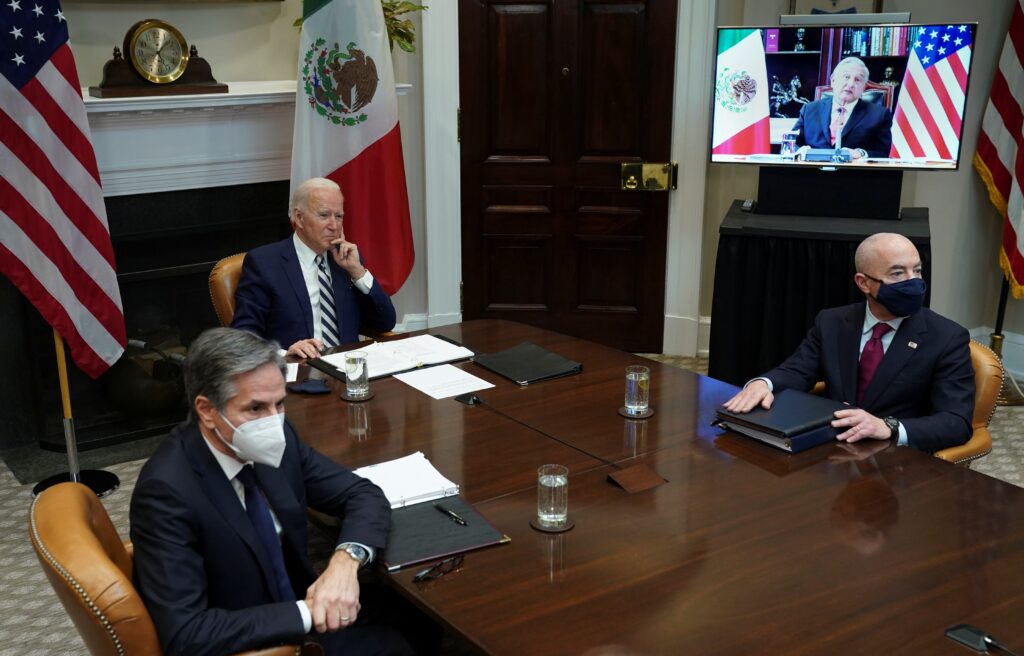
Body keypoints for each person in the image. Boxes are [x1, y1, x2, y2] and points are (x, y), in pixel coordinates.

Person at [130, 328, 426, 655]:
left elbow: (361, 494)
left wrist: (345, 562)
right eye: (255, 409)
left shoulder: (274, 437)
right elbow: (187, 632)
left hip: (301, 594)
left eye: (280, 403)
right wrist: (308, 611)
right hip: (252, 637)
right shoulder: (165, 492)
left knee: (419, 611)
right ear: (207, 410)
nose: (273, 422)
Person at [722, 233, 974, 453]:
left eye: (917, 270)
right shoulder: (832, 322)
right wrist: (763, 383)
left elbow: (956, 422)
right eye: (898, 273)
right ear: (863, 283)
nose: (913, 282)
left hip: (895, 458)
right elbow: (798, 370)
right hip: (830, 449)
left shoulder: (947, 337)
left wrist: (888, 427)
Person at [232, 177, 397, 358]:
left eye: (339, 216)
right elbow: (243, 335)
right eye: (324, 215)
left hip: (349, 369)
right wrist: (284, 353)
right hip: (300, 370)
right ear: (299, 218)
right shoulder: (265, 263)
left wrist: (358, 272)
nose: (334, 226)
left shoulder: (345, 261)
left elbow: (385, 323)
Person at [792, 57, 893, 159]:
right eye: (846, 77)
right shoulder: (809, 110)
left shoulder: (879, 115)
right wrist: (801, 151)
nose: (851, 84)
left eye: (857, 80)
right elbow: (792, 143)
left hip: (853, 172)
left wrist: (861, 154)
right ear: (833, 80)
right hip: (812, 171)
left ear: (864, 88)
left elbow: (882, 154)